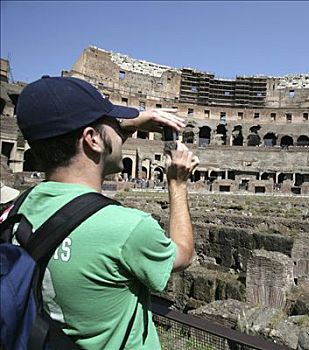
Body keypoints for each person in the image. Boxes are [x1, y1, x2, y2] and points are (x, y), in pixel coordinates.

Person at [15, 76, 199, 349]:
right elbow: (183, 255)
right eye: (113, 125)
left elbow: (86, 139)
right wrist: (177, 183)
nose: (121, 132)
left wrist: (122, 124)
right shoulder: (127, 228)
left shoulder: (16, 210)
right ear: (92, 139)